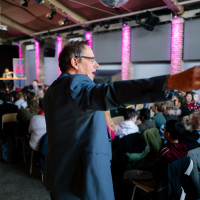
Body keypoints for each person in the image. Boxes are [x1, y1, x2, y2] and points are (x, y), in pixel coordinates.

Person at [43, 40, 200, 200]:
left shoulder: (54, 90)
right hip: (83, 180)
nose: (96, 65)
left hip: (61, 173)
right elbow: (112, 92)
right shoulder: (76, 85)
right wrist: (168, 83)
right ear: (75, 62)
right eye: (91, 59)